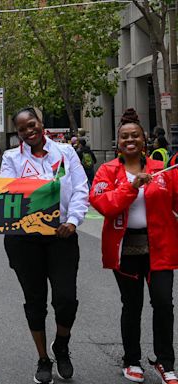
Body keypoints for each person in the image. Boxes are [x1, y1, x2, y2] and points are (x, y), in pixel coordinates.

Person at [0, 107, 89, 384]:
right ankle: (43, 359)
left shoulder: (66, 152)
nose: (30, 130)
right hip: (24, 240)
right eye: (23, 128)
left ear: (41, 123)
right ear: (18, 133)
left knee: (66, 299)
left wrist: (73, 221)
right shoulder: (10, 158)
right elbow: (6, 191)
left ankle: (61, 345)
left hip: (62, 236)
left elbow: (80, 189)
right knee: (35, 301)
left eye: (33, 124)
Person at [90, 108, 178, 384]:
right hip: (125, 250)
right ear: (119, 142)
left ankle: (165, 362)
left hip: (160, 249)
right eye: (125, 136)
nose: (130, 140)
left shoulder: (161, 169)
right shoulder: (107, 171)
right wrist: (132, 187)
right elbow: (104, 204)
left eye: (135, 136)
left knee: (163, 304)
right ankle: (132, 360)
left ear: (144, 140)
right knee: (132, 305)